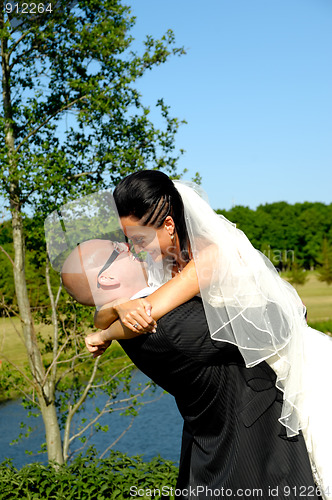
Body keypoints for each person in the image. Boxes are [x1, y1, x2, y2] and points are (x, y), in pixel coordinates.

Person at [92, 170, 332, 498]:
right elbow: (113, 309)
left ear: (168, 226)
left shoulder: (208, 256)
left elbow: (148, 310)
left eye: (140, 239)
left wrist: (105, 336)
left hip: (290, 361)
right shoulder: (166, 257)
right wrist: (114, 310)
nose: (136, 249)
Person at [61, 239, 321, 499]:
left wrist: (110, 317)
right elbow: (281, 325)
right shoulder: (170, 323)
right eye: (116, 249)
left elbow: (107, 311)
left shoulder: (130, 322)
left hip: (215, 446)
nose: (127, 246)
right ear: (107, 278)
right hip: (258, 455)